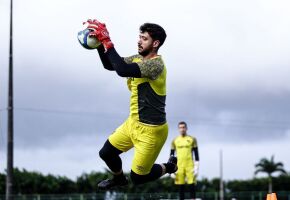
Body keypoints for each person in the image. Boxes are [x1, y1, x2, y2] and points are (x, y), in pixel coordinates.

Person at [84, 19, 177, 189]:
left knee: (139, 177)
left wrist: (107, 42)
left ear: (155, 43)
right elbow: (110, 65)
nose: (139, 41)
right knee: (106, 153)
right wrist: (98, 44)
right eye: (139, 37)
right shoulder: (137, 58)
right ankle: (119, 179)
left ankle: (169, 167)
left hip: (151, 132)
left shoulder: (156, 65)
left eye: (144, 38)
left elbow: (122, 71)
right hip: (132, 123)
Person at [171, 121, 200, 200]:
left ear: (186, 128)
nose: (182, 129)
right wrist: (171, 168)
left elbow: (196, 153)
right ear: (178, 129)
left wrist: (197, 166)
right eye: (180, 127)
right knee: (181, 186)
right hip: (179, 166)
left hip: (190, 165)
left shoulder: (192, 139)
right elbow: (171, 155)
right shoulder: (174, 140)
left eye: (183, 127)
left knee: (192, 184)